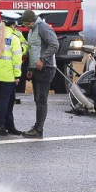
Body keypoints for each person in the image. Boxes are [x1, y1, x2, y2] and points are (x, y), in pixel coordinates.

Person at [21, 9, 59, 139]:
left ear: (32, 21)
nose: (26, 27)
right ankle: (37, 127)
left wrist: (43, 59)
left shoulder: (43, 27)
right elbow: (33, 50)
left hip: (47, 68)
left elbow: (54, 45)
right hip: (37, 69)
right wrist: (30, 69)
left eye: (26, 24)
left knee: (41, 100)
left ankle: (39, 129)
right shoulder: (32, 29)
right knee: (37, 99)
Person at [0, 15, 23, 136]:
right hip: (8, 76)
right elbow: (17, 59)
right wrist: (17, 76)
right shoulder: (14, 38)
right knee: (5, 101)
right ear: (12, 25)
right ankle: (1, 125)